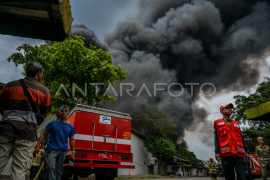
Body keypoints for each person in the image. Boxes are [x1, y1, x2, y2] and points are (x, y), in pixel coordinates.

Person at [0, 62, 52, 180]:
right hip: (26, 133)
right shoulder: (44, 91)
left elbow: (1, 105)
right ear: (39, 73)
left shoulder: (9, 86)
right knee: (19, 170)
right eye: (42, 73)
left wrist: (9, 118)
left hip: (6, 130)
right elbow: (44, 113)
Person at [36, 105, 76, 180]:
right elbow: (44, 134)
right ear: (59, 113)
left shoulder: (70, 127)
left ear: (68, 113)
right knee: (50, 167)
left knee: (58, 171)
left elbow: (72, 139)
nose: (63, 112)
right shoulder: (52, 123)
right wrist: (38, 145)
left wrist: (73, 152)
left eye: (65, 111)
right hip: (51, 150)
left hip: (63, 151)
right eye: (62, 111)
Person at [214, 103, 249, 180]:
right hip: (226, 153)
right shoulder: (217, 122)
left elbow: (241, 137)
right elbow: (216, 137)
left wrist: (246, 151)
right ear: (221, 111)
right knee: (229, 175)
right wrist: (217, 152)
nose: (230, 109)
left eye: (230, 108)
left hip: (239, 153)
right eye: (227, 108)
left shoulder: (236, 123)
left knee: (242, 174)